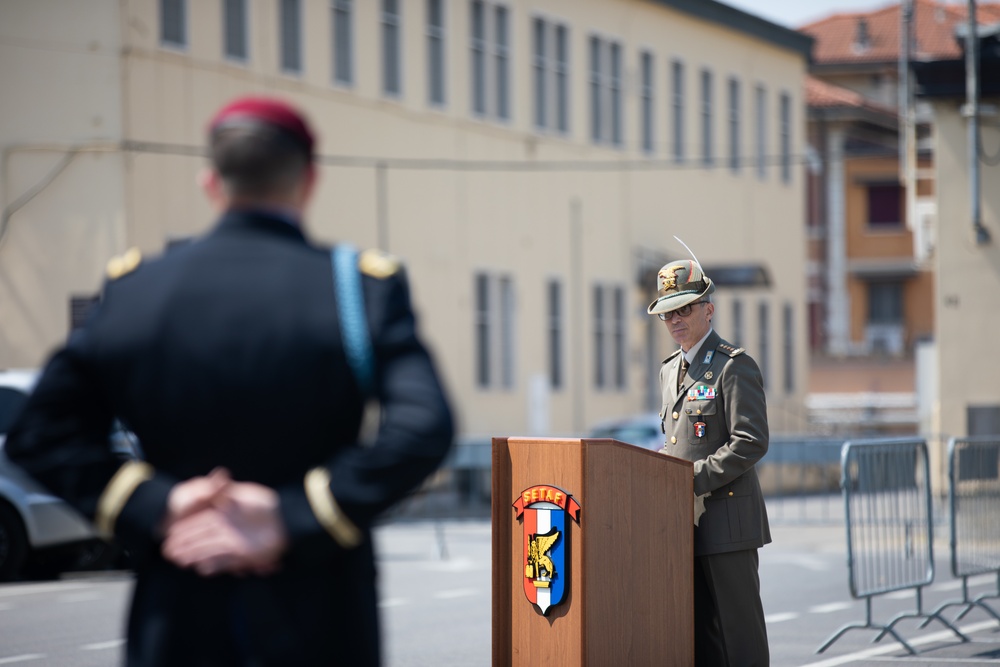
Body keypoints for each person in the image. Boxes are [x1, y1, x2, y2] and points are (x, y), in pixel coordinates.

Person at [5, 96, 454, 666]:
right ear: (309, 181)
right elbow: (423, 429)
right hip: (320, 619)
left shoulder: (137, 291)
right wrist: (295, 516)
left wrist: (161, 505)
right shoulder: (355, 291)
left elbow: (41, 433)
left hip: (179, 614)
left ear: (210, 182)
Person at [647, 257, 770, 667]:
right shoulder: (669, 371)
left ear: (708, 309)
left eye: (685, 308)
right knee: (699, 638)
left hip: (727, 520)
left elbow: (750, 442)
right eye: (668, 313)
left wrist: (689, 479)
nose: (675, 320)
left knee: (740, 639)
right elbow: (676, 441)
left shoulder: (733, 365)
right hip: (683, 525)